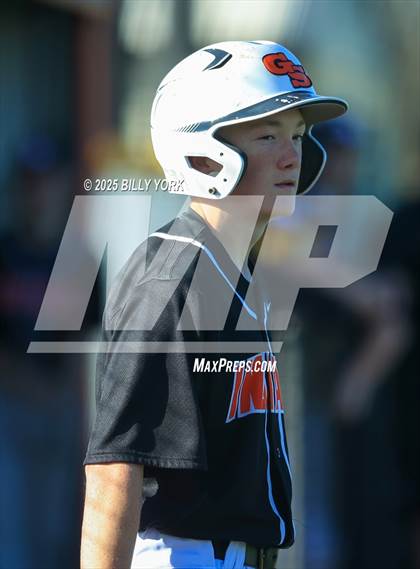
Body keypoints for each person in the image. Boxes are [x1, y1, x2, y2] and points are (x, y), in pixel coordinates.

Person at [80, 40, 347, 569]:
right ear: (203, 152)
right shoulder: (170, 278)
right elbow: (114, 470)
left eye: (297, 135)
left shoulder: (234, 266)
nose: (292, 155)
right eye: (268, 135)